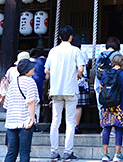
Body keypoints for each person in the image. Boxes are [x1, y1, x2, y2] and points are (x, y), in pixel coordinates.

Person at [45, 26, 85, 161]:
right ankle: (68, 152)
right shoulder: (75, 51)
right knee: (69, 122)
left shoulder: (53, 51)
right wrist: (77, 76)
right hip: (70, 89)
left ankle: (54, 152)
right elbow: (81, 69)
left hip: (56, 89)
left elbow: (46, 70)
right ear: (71, 37)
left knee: (55, 121)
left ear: (60, 37)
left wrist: (56, 73)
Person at [3, 58, 38, 162]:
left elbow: (6, 104)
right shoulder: (30, 82)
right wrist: (32, 119)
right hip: (24, 120)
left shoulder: (13, 82)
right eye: (32, 67)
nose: (34, 68)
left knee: (11, 152)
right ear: (27, 70)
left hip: (11, 121)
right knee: (24, 152)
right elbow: (31, 101)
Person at [99, 54, 123, 162]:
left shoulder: (106, 73)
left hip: (107, 104)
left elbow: (101, 87)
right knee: (118, 129)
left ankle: (105, 154)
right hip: (119, 104)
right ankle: (117, 155)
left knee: (106, 129)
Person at [94, 37, 121, 117]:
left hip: (100, 82)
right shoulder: (118, 55)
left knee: (101, 104)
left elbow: (96, 69)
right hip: (114, 84)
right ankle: (113, 126)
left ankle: (104, 124)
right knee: (115, 104)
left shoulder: (101, 55)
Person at [71, 35, 90, 134]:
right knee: (78, 105)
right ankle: (75, 125)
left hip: (70, 80)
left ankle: (69, 125)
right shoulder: (82, 53)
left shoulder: (69, 52)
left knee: (70, 104)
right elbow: (86, 64)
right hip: (81, 81)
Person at [30, 48, 47, 129]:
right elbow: (47, 74)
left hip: (29, 80)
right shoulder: (44, 61)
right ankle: (35, 121)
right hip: (39, 81)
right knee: (37, 101)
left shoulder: (30, 61)